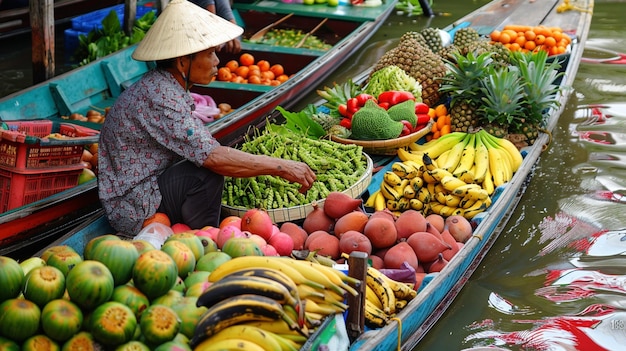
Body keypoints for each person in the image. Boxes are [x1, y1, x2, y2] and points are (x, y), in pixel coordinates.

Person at [97, 0, 316, 236]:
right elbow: (212, 157)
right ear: (182, 62)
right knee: (207, 173)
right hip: (133, 206)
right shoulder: (162, 97)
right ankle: (206, 238)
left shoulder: (163, 85)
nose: (217, 62)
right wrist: (280, 167)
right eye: (210, 53)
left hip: (144, 186)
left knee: (212, 160)